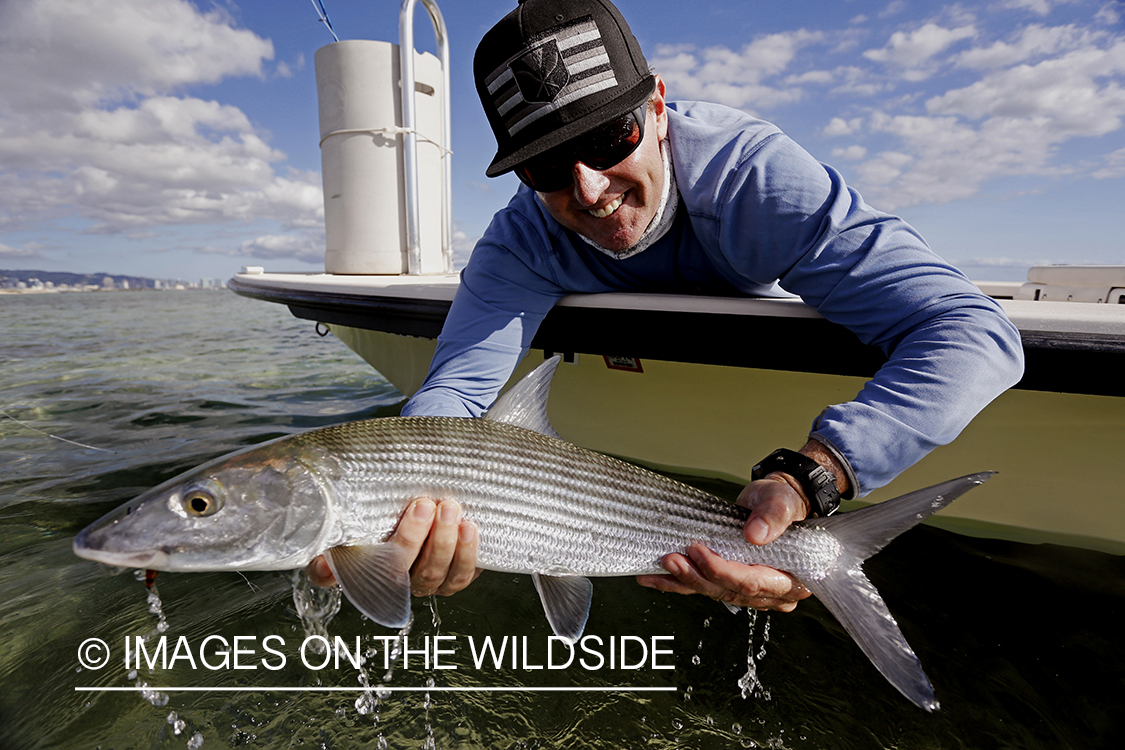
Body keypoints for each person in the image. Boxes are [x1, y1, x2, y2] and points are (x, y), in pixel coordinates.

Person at [309, 0, 1024, 612]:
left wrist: (816, 474)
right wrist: (392, 507)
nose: (588, 190)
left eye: (605, 138)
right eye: (548, 167)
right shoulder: (518, 239)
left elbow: (971, 332)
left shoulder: (753, 177)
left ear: (655, 107)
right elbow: (456, 392)